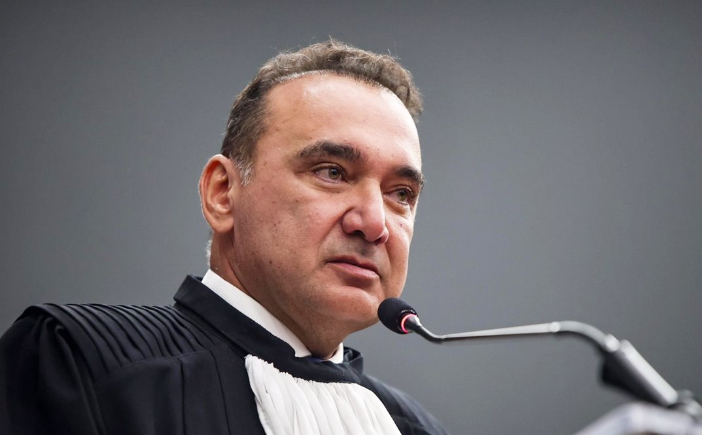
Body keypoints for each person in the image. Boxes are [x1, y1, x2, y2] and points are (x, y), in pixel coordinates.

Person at [0, 40, 450, 435]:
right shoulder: (76, 359)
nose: (374, 224)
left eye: (401, 194)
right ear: (222, 194)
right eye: (331, 172)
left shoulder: (414, 428)